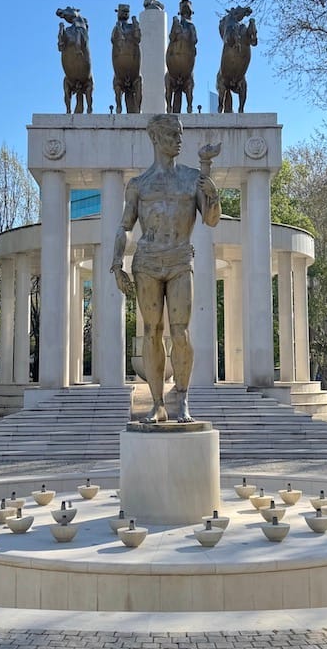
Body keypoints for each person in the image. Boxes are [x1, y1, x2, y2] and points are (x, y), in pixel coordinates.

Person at [111, 114, 221, 423]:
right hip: (146, 261)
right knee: (151, 331)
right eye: (172, 134)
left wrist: (211, 188)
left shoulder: (190, 177)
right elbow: (124, 226)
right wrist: (117, 262)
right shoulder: (138, 184)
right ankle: (157, 403)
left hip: (179, 259)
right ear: (156, 139)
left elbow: (211, 219)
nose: (178, 139)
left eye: (180, 133)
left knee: (180, 332)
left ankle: (182, 398)